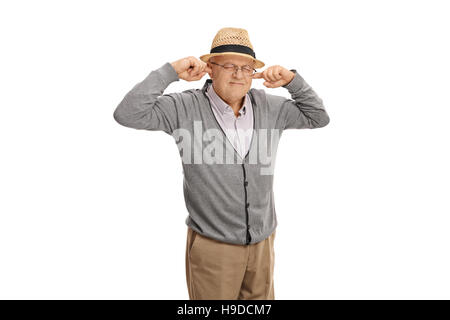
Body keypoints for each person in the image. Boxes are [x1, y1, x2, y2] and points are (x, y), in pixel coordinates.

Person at [113, 27, 330, 300]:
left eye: (246, 67)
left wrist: (292, 81)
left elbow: (318, 117)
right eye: (228, 65)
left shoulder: (270, 108)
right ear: (210, 69)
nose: (238, 74)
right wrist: (170, 72)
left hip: (263, 243)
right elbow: (127, 114)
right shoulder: (183, 108)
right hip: (214, 248)